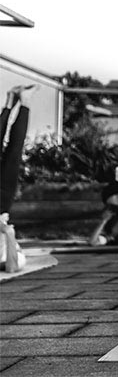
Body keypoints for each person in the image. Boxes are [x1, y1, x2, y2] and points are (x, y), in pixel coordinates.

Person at [0, 85, 37, 273]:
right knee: (13, 152)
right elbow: (13, 267)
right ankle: (23, 102)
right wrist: (8, 232)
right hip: (2, 204)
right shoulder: (10, 257)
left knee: (12, 151)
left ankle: (10, 102)